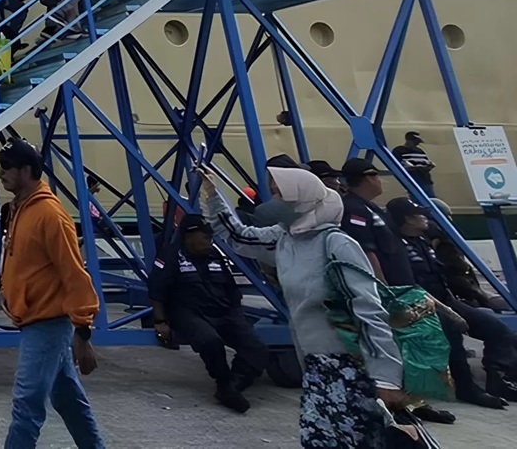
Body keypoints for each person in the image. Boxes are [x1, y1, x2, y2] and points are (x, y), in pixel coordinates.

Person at [202, 167, 406, 448]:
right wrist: (213, 195)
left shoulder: (336, 243)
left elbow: (368, 309)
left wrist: (387, 376)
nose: (273, 200)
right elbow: (239, 237)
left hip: (352, 366)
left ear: (304, 198)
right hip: (315, 366)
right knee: (318, 440)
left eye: (279, 193)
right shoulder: (285, 238)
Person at [0, 139, 106, 449]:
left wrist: (83, 332)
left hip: (47, 322)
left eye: (7, 167)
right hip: (34, 317)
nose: (1, 172)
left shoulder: (50, 215)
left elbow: (74, 274)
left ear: (27, 170)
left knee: (26, 404)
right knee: (67, 398)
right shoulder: (21, 208)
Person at [389, 197, 515, 407]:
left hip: (446, 299)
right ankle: (466, 387)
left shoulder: (423, 241)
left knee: (496, 328)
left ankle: (499, 379)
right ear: (407, 219)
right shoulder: (395, 247)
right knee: (451, 331)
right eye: (419, 215)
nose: (426, 219)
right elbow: (411, 286)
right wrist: (449, 311)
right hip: (420, 305)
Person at [149, 213, 267, 412]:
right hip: (189, 312)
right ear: (188, 236)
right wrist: (160, 321)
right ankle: (223, 381)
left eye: (210, 236)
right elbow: (156, 290)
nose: (209, 239)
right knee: (211, 342)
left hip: (224, 311)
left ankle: (232, 386)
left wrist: (236, 316)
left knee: (257, 348)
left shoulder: (215, 255)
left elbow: (231, 290)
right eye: (204, 236)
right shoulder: (170, 255)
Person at [339, 158, 413, 286]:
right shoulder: (353, 208)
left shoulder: (371, 207)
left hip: (401, 283)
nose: (380, 181)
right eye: (377, 176)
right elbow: (364, 249)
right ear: (369, 177)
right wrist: (382, 285)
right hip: (389, 287)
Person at [392, 132, 436, 198]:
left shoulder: (420, 151)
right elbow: (398, 167)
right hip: (413, 181)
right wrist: (415, 168)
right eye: (415, 141)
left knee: (431, 199)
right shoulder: (398, 150)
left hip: (426, 180)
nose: (417, 143)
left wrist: (429, 166)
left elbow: (426, 163)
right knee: (417, 199)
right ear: (408, 140)